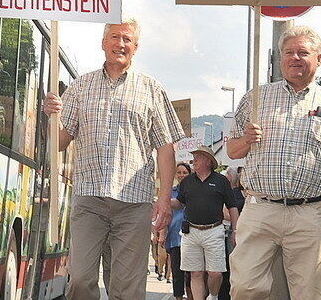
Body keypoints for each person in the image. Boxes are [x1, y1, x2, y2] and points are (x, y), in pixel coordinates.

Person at [42, 16, 185, 300]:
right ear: (103, 43)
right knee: (80, 279)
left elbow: (166, 148)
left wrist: (164, 199)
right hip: (90, 198)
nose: (120, 44)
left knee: (127, 289)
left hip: (134, 204)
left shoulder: (152, 89)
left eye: (127, 39)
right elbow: (59, 143)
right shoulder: (81, 86)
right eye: (115, 37)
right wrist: (50, 116)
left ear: (136, 47)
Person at [226, 25, 321, 300]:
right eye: (288, 52)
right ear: (279, 58)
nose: (295, 58)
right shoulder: (256, 98)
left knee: (310, 293)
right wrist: (246, 139)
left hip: (309, 214)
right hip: (260, 209)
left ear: (319, 59)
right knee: (246, 288)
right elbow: (233, 152)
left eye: (303, 52)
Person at [172, 146, 238, 300]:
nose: (193, 160)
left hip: (214, 230)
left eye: (198, 157)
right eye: (193, 156)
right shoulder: (187, 181)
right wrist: (164, 202)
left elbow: (232, 207)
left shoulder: (221, 181)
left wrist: (235, 231)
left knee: (215, 273)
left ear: (208, 161)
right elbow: (180, 203)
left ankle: (213, 296)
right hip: (191, 231)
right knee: (195, 273)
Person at [167, 162, 193, 300]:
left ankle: (191, 296)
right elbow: (166, 214)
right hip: (175, 236)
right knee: (177, 271)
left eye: (185, 172)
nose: (182, 175)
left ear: (189, 174)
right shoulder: (171, 192)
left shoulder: (194, 190)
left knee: (191, 272)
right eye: (179, 172)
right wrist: (161, 234)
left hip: (192, 236)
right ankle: (178, 297)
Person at [218, 167, 245, 300]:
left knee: (231, 268)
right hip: (226, 233)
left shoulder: (237, 194)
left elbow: (228, 214)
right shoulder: (231, 193)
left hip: (233, 234)